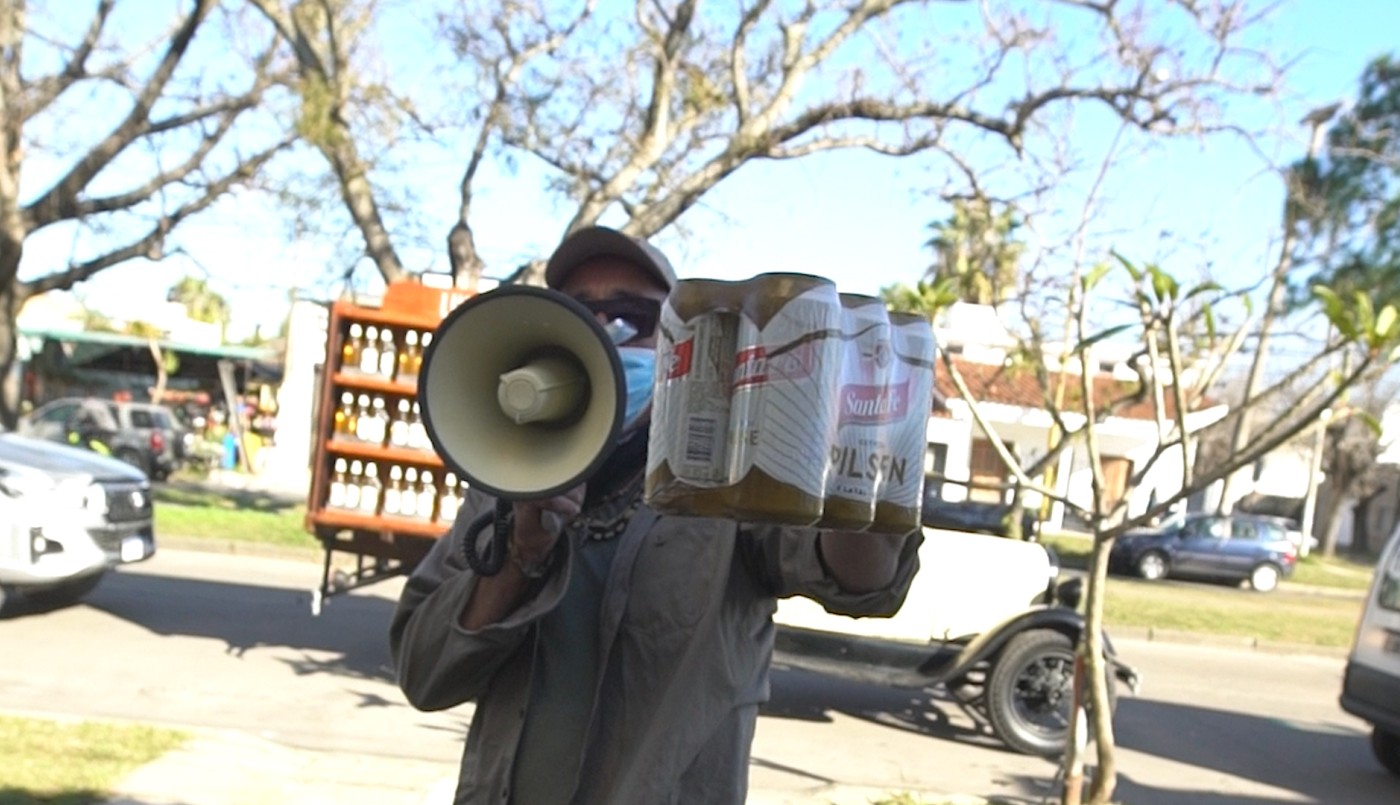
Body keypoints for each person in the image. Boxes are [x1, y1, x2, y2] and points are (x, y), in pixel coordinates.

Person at [389, 225, 922, 805]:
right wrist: (519, 556)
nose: (601, 334)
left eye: (629, 317)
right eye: (576, 313)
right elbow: (424, 676)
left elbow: (864, 583)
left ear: (682, 345)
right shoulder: (505, 488)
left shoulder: (731, 480)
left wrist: (851, 448)